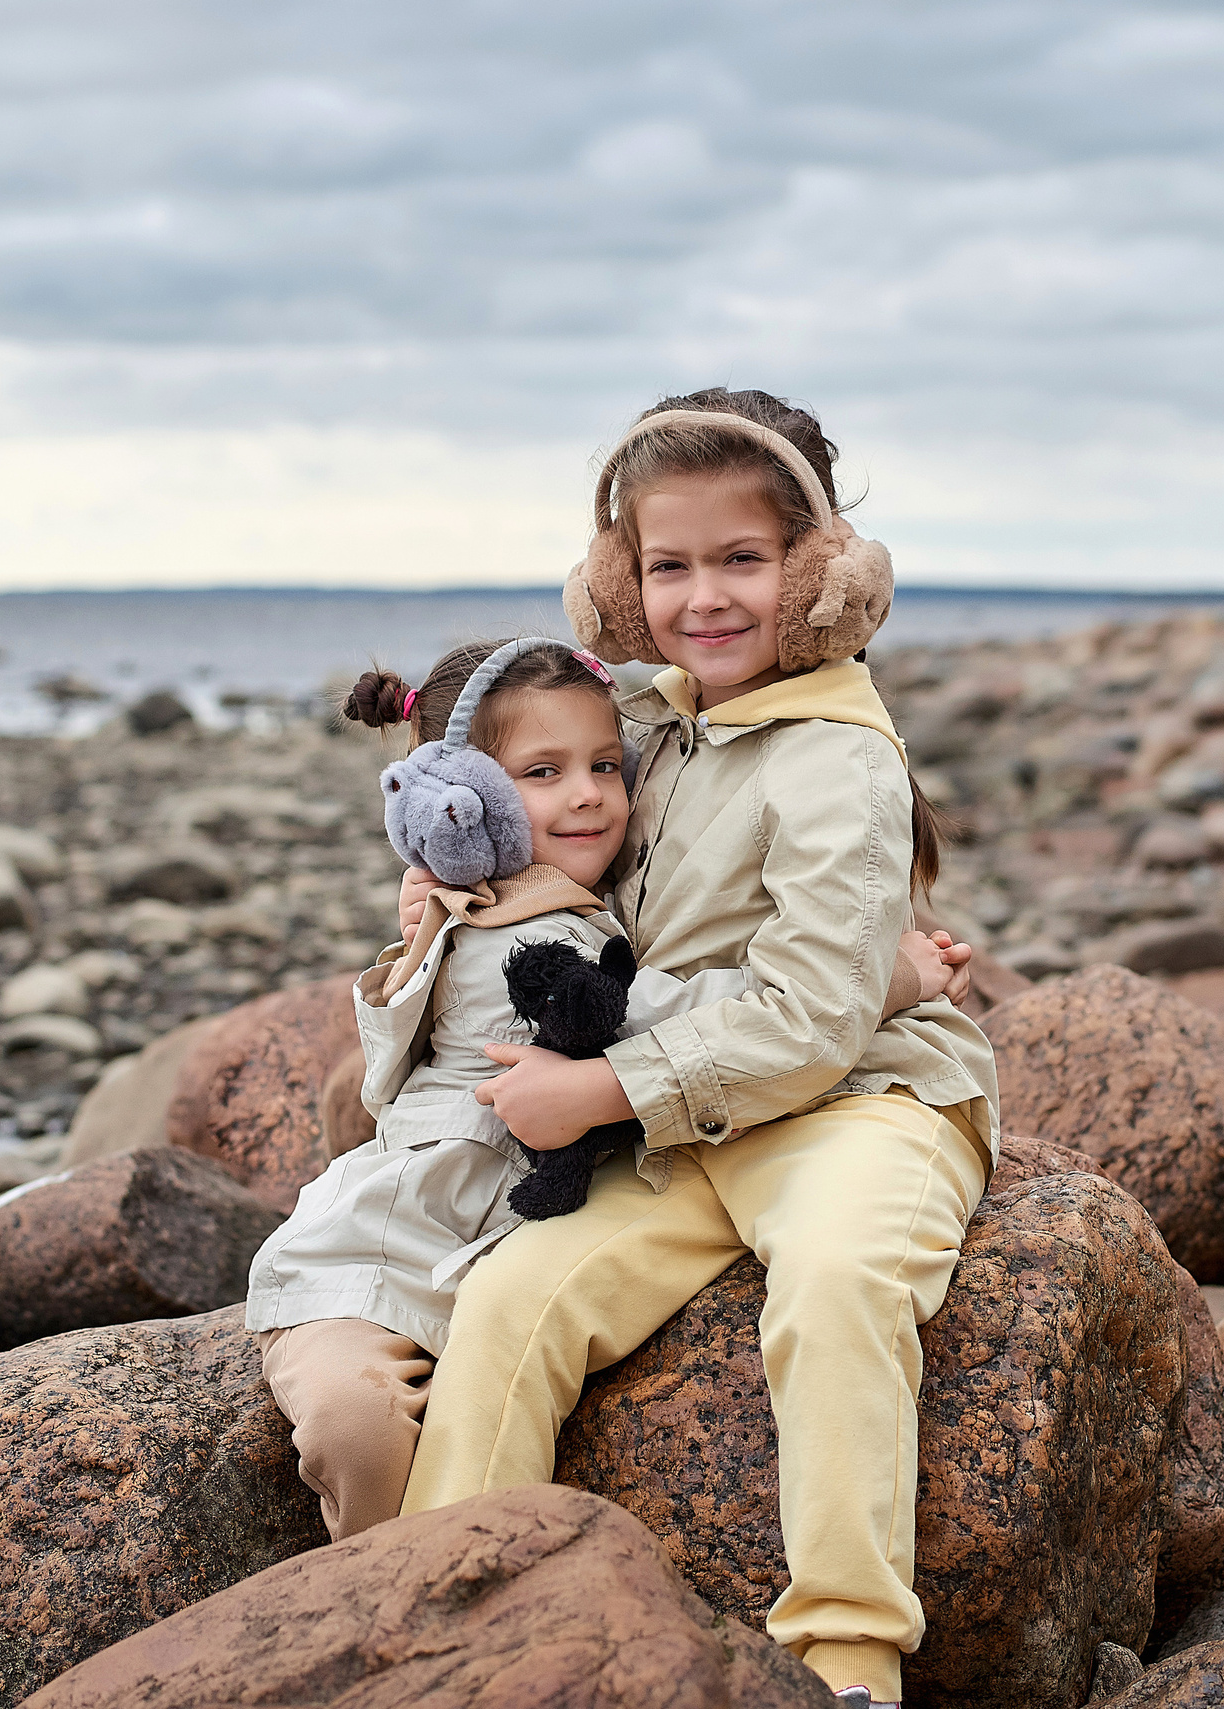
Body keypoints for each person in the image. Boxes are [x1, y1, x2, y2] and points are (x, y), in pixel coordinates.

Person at [399, 390, 1001, 1709]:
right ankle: (437, 1635)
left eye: (743, 559)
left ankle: (846, 1658)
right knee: (510, 1303)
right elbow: (555, 842)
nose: (703, 597)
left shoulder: (837, 761)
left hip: (855, 1108)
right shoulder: (646, 725)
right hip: (687, 1132)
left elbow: (806, 1017)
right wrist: (456, 892)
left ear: (823, 573)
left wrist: (602, 1087)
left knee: (839, 1279)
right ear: (616, 582)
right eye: (665, 566)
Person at [246, 634, 962, 1548]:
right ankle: (382, 1594)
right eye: (542, 772)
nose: (587, 793)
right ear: (463, 806)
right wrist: (885, 980)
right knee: (358, 1424)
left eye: (602, 765)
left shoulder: (543, 900)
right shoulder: (540, 940)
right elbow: (688, 1008)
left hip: (475, 1255)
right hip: (381, 1261)